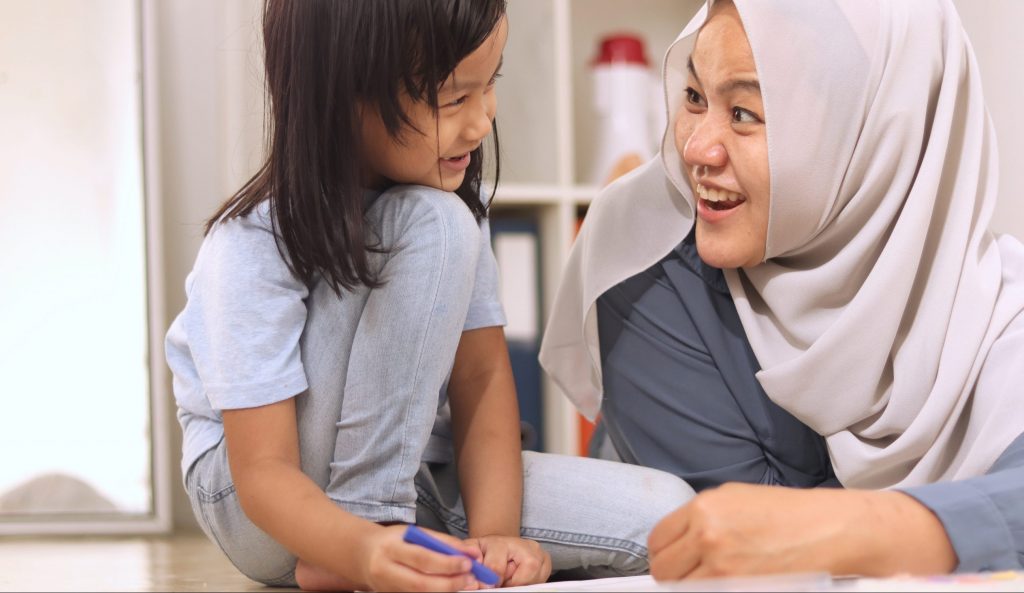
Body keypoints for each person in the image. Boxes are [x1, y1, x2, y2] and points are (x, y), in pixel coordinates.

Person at [164, 1, 693, 591]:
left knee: (671, 518)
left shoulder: (457, 206)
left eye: (489, 84)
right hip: (261, 503)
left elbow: (482, 381)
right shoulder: (253, 241)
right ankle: (369, 527)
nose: (483, 121)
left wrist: (497, 538)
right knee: (436, 222)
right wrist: (360, 547)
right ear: (344, 98)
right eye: (453, 99)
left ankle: (402, 541)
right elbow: (262, 471)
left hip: (416, 472)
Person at [541, 0, 1024, 580]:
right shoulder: (648, 266)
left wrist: (872, 528)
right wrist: (954, 521)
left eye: (743, 112)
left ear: (874, 132)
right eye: (694, 97)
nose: (696, 149)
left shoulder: (997, 304)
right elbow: (758, 556)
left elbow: (798, 533)